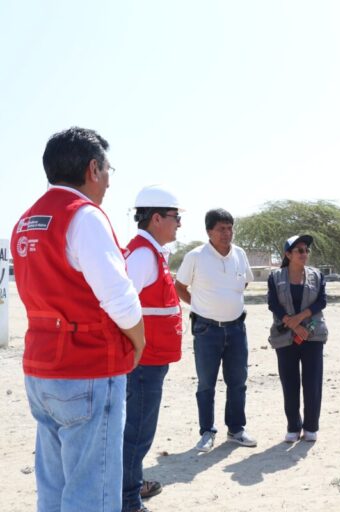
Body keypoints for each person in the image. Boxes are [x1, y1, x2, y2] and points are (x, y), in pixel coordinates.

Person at [11, 127, 145, 511]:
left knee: (53, 488)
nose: (107, 181)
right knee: (92, 493)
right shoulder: (84, 216)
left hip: (41, 368)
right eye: (108, 170)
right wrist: (138, 341)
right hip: (86, 366)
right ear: (92, 169)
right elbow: (119, 299)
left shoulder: (26, 220)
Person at [121, 185, 184, 512]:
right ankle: (129, 500)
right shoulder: (144, 256)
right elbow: (120, 305)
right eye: (175, 217)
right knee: (137, 433)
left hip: (149, 360)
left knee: (137, 430)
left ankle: (132, 486)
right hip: (144, 363)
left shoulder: (148, 252)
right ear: (156, 218)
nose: (178, 224)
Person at [175, 208, 256, 452]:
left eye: (230, 228)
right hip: (206, 329)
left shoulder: (240, 254)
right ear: (209, 231)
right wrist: (200, 305)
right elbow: (179, 286)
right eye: (221, 229)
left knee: (238, 382)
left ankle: (236, 429)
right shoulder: (196, 256)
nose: (226, 233)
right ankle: (207, 432)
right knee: (206, 384)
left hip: (236, 329)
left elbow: (246, 281)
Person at [267, 235, 328, 443]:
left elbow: (321, 301)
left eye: (306, 250)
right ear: (288, 254)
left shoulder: (317, 275)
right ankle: (293, 426)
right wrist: (291, 324)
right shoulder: (275, 277)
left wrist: (300, 321)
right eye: (299, 250)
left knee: (313, 382)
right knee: (289, 382)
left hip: (313, 335)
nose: (304, 254)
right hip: (284, 337)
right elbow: (273, 304)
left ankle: (311, 427)